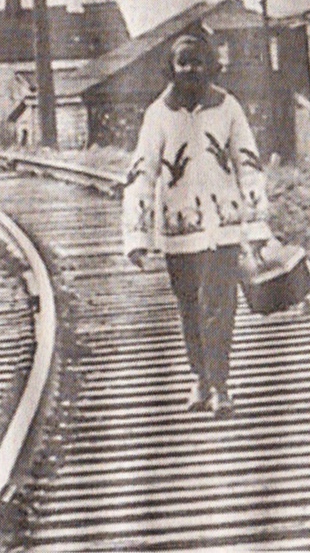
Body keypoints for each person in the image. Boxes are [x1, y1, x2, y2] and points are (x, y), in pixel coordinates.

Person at [122, 33, 270, 417]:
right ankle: (199, 377)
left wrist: (255, 228)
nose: (190, 70)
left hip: (223, 229)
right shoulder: (157, 115)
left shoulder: (228, 108)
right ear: (171, 68)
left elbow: (248, 165)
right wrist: (137, 234)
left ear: (209, 66)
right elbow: (142, 172)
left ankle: (220, 384)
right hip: (178, 231)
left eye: (197, 62)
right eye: (182, 62)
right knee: (189, 306)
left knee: (219, 306)